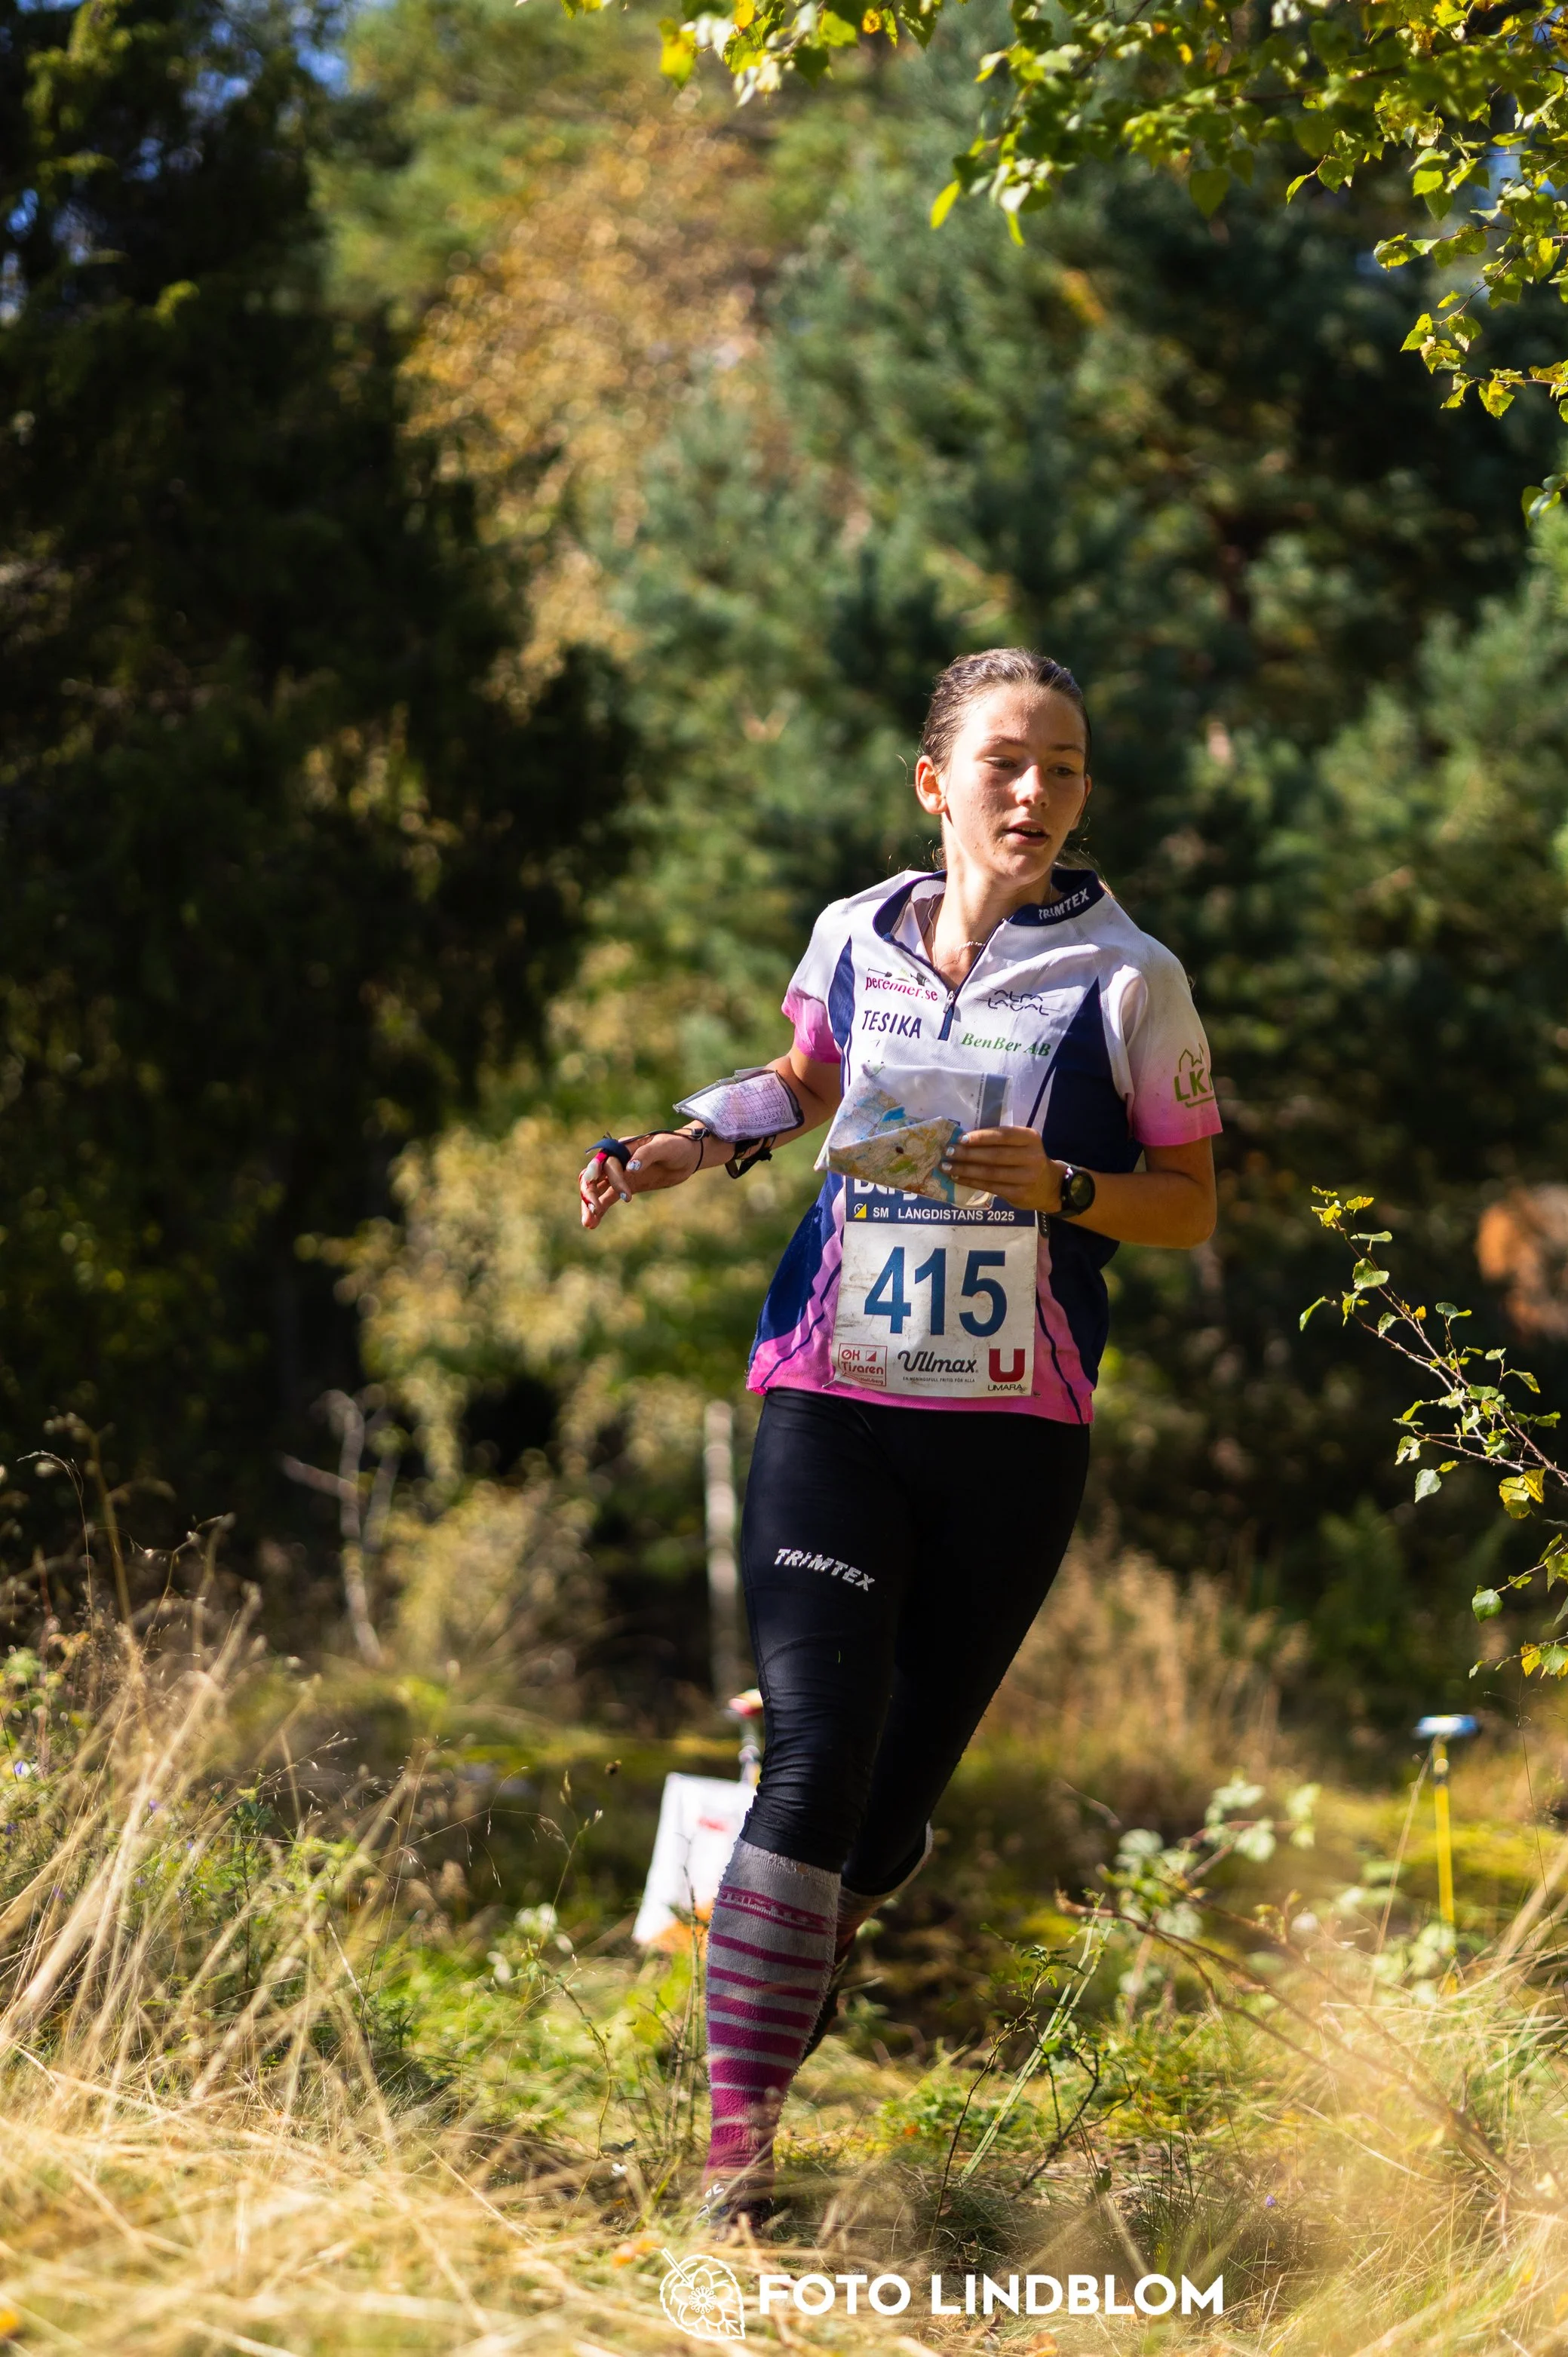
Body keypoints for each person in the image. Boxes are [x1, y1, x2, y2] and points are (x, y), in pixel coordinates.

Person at [578, 647, 1220, 2220]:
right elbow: (801, 1080)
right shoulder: (853, 931)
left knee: (875, 1819)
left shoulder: (1129, 977)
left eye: (1064, 766)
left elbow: (1191, 1205)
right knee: (812, 1760)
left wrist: (1067, 1187)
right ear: (936, 783)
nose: (1036, 791)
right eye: (1006, 761)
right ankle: (736, 2169)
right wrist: (680, 1144)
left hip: (1009, 1435)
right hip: (833, 1391)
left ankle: (823, 1922)